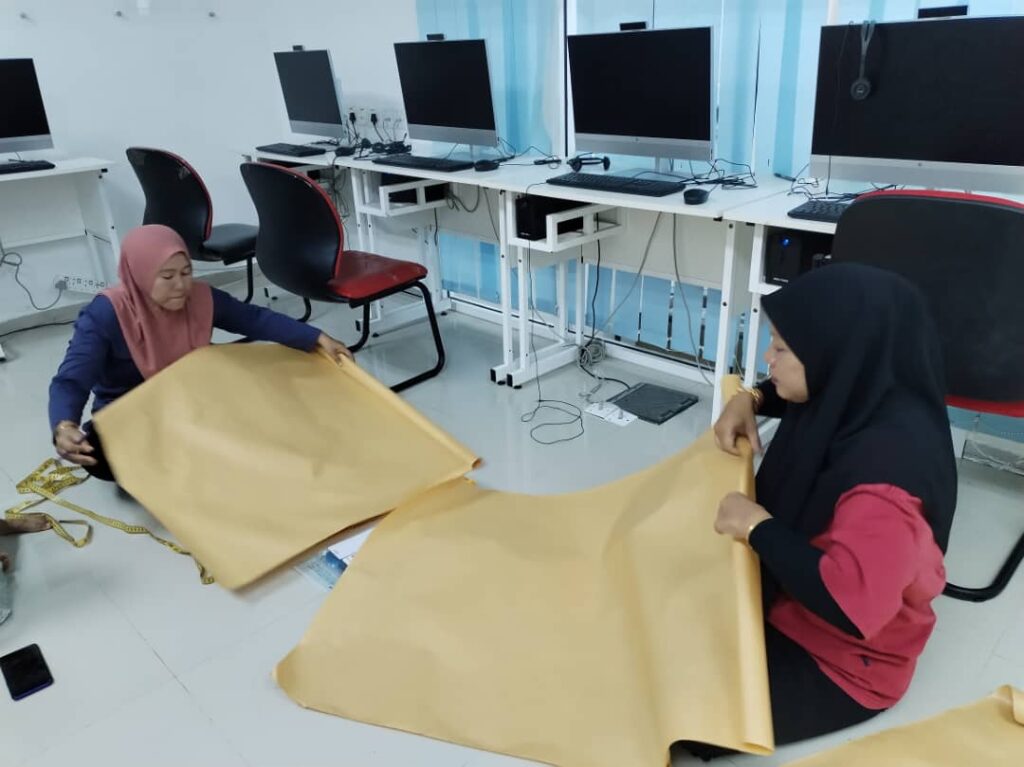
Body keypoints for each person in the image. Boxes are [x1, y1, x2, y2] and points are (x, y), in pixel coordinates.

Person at [682, 264, 958, 760]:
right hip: (792, 601)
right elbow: (797, 391)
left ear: (834, 356)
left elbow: (850, 606)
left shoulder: (886, 486)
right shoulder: (865, 391)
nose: (767, 358)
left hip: (846, 662)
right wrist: (751, 398)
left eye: (781, 349)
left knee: (677, 707)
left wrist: (756, 526)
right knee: (664, 619)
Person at [48, 224, 352, 481]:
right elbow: (72, 379)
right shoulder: (106, 314)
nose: (181, 285)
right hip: (133, 412)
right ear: (139, 274)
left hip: (192, 398)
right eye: (167, 277)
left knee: (262, 406)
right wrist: (64, 425)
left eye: (186, 272)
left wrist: (316, 337)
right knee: (99, 456)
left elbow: (255, 319)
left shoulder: (200, 297)